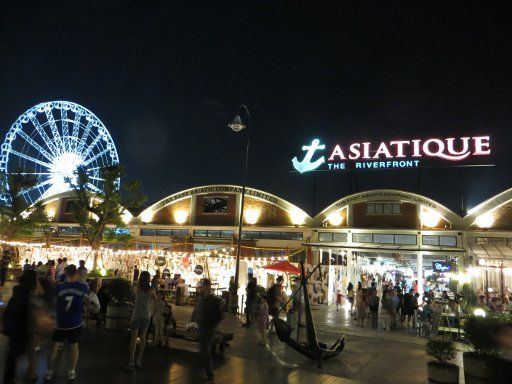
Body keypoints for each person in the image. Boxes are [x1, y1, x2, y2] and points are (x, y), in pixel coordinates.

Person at [45, 264, 89, 381]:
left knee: (54, 347)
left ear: (66, 274)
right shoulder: (82, 286)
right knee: (74, 348)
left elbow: (54, 302)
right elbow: (87, 289)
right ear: (76, 273)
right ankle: (71, 371)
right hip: (75, 322)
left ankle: (49, 372)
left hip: (60, 322)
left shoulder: (59, 287)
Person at [2, 270, 47, 384]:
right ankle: (30, 376)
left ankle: (10, 378)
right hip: (25, 328)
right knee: (29, 352)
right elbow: (35, 310)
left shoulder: (17, 289)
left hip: (13, 326)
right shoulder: (31, 294)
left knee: (12, 355)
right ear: (33, 280)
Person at [125, 271, 156, 370]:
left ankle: (131, 362)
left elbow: (132, 298)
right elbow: (155, 299)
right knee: (143, 338)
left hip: (136, 314)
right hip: (146, 315)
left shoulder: (136, 287)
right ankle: (138, 361)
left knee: (133, 339)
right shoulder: (151, 289)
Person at [195, 278, 223, 384]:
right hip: (202, 327)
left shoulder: (214, 300)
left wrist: (213, 325)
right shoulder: (202, 299)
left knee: (204, 351)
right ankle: (207, 373)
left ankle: (209, 374)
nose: (200, 288)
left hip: (209, 328)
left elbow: (220, 315)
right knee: (204, 352)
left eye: (201, 286)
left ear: (207, 286)